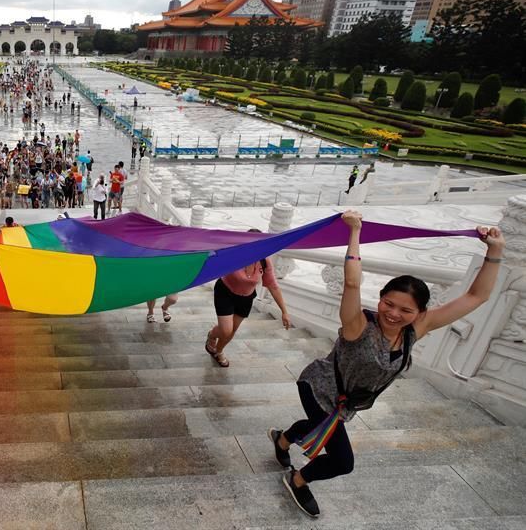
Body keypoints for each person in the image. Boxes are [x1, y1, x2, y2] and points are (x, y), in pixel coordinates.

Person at [270, 211, 505, 518]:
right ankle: (298, 480)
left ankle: (283, 438)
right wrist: (355, 231)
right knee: (343, 461)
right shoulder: (358, 325)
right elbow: (352, 284)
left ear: (421, 313)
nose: (393, 313)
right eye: (388, 303)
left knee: (320, 425)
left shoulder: (414, 332)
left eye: (405, 309)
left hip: (344, 403)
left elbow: (477, 296)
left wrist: (495, 251)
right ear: (379, 298)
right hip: (319, 387)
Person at [206, 229, 291, 368]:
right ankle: (211, 335)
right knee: (226, 330)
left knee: (232, 331)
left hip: (245, 298)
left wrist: (284, 312)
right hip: (225, 292)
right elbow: (214, 259)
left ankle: (218, 351)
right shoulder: (234, 254)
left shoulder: (264, 261)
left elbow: (273, 286)